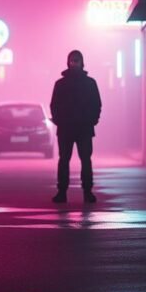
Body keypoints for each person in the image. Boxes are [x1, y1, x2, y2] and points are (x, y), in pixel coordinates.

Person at [49, 50, 102, 203]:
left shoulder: (83, 83)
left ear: (81, 62)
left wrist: (92, 120)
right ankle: (67, 192)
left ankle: (83, 192)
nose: (74, 63)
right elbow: (54, 105)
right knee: (68, 160)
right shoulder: (84, 83)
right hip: (73, 128)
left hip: (78, 128)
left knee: (81, 160)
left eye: (76, 60)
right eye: (72, 60)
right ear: (68, 62)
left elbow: (96, 104)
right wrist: (92, 120)